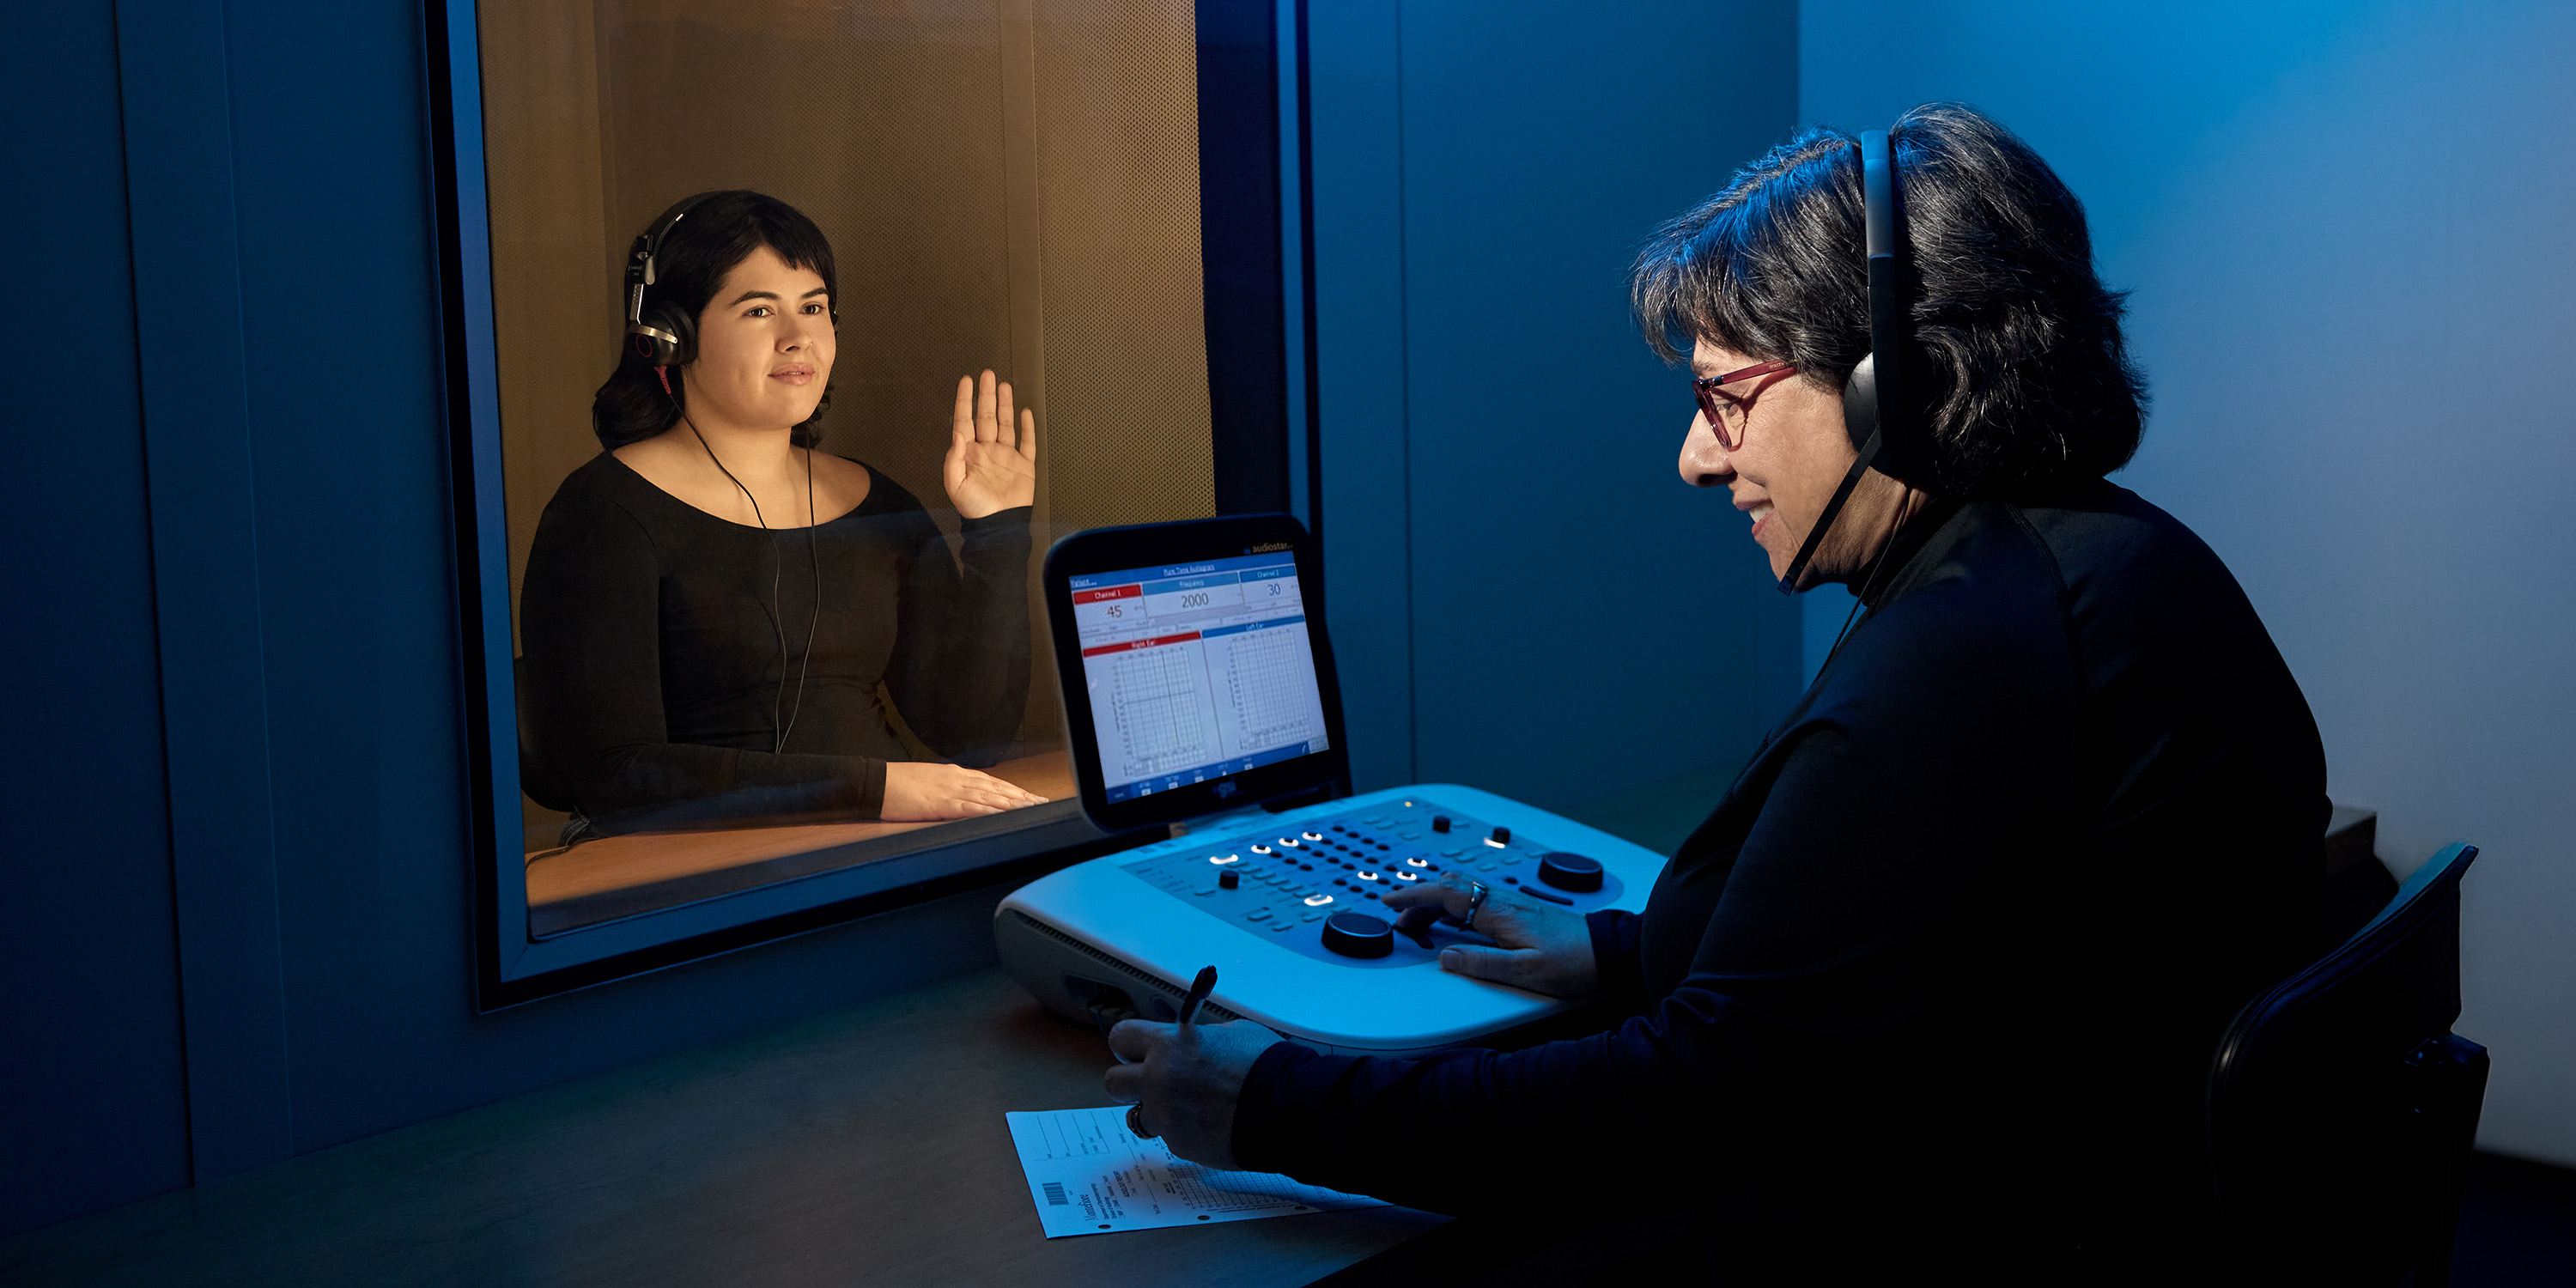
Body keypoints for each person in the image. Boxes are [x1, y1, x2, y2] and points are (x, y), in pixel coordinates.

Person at [1101, 106, 2330, 1283]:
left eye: (1725, 398)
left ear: (1890, 386)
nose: (1697, 458)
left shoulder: (1970, 650)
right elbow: (1926, 944)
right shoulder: (2111, 563)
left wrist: (1267, 1102)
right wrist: (1621, 954)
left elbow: (1691, 1106)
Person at [520, 191, 1049, 834]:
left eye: (814, 308)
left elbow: (975, 735)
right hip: (697, 875)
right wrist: (873, 788)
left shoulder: (877, 504)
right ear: (670, 337)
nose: (798, 338)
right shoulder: (602, 514)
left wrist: (997, 532)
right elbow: (614, 773)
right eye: (760, 309)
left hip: (881, 848)